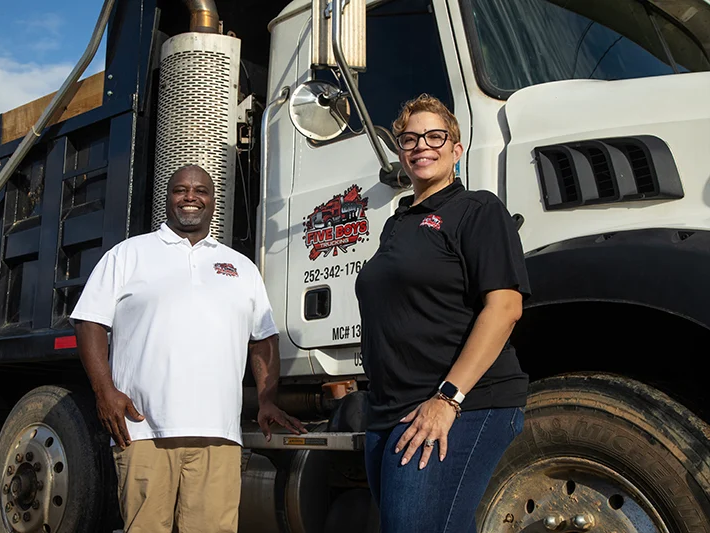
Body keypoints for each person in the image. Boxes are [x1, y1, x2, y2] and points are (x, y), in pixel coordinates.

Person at [71, 164, 306, 533]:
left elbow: (263, 338)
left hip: (219, 436)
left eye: (201, 191)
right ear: (168, 198)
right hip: (145, 431)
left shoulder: (241, 267)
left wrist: (266, 399)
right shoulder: (129, 255)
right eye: (181, 190)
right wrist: (104, 391)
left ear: (213, 201)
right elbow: (89, 322)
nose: (191, 197)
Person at [354, 94, 531, 532]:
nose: (421, 146)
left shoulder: (476, 210)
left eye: (435, 136)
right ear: (400, 152)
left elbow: (506, 307)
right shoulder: (397, 223)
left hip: (458, 405)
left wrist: (448, 398)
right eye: (410, 139)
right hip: (389, 411)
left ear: (456, 149)